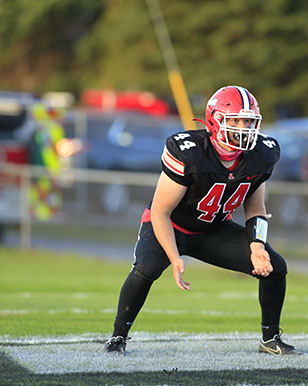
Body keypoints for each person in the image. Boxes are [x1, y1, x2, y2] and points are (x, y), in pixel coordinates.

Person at [105, 86, 297, 355]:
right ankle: (117, 338)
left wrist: (257, 246)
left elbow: (256, 207)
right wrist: (174, 257)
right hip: (171, 225)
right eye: (235, 121)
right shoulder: (189, 152)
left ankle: (270, 338)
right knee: (147, 267)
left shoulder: (260, 155)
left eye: (249, 121)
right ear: (215, 120)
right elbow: (161, 211)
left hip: (212, 230)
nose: (243, 128)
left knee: (275, 267)